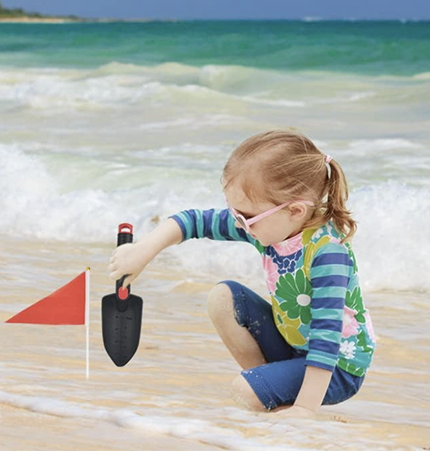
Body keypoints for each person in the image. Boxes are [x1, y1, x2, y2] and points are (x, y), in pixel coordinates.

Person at [108, 130, 376, 416]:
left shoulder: (327, 254)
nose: (239, 224)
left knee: (242, 391)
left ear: (295, 211)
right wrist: (143, 252)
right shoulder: (268, 225)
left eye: (245, 217)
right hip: (295, 347)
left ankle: (274, 398)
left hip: (336, 367)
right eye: (234, 213)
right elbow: (194, 221)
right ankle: (269, 393)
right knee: (223, 298)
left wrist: (306, 410)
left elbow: (327, 338)